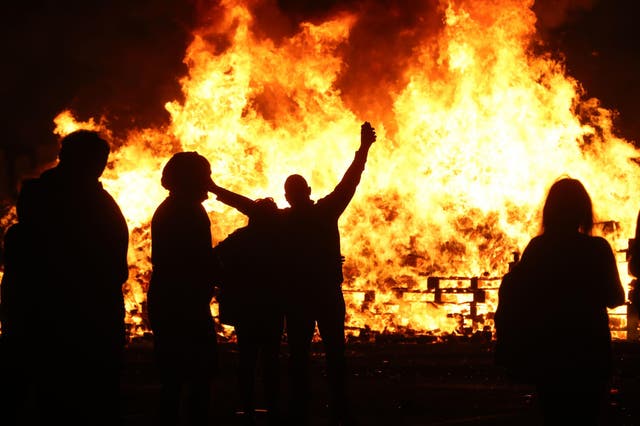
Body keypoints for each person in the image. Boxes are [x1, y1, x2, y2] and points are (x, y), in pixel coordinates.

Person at [210, 121, 377, 425]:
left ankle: (300, 406)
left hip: (298, 298)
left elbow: (248, 207)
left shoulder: (281, 220)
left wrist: (214, 188)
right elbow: (350, 182)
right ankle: (339, 405)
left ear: (287, 196)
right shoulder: (325, 211)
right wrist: (364, 148)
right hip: (326, 293)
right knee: (334, 351)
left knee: (299, 355)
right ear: (308, 192)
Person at [1, 129, 130, 425]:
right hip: (79, 324)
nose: (100, 166)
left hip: (41, 323)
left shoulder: (36, 205)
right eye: (96, 160)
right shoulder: (89, 205)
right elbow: (107, 269)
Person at [495, 177, 625, 425]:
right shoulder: (597, 249)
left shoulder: (537, 248)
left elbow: (524, 296)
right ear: (583, 211)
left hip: (550, 354)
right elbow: (615, 298)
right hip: (589, 354)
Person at [147, 152, 219, 426]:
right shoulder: (184, 211)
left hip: (173, 299)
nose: (208, 185)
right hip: (182, 302)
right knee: (195, 376)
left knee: (175, 379)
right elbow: (193, 259)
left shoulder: (176, 207)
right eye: (204, 177)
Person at [213, 197, 285, 426]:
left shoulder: (240, 239)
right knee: (271, 360)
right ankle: (273, 409)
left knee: (247, 360)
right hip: (272, 308)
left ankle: (247, 409)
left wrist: (225, 281)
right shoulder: (278, 241)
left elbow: (213, 258)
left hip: (246, 310)